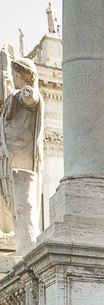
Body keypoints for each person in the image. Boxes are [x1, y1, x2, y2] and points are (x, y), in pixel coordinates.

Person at [0, 57, 44, 255]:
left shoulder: (25, 94)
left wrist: (28, 91)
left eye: (16, 75)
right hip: (13, 157)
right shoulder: (14, 96)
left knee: (22, 199)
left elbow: (31, 98)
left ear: (20, 75)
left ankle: (25, 244)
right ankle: (19, 239)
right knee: (13, 198)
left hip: (22, 158)